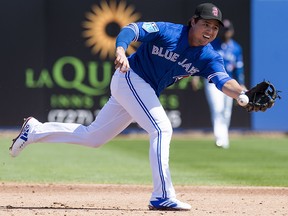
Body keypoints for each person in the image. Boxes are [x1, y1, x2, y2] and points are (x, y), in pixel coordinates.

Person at [9, 3, 248, 211]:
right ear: (193, 22)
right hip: (129, 77)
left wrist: (243, 94)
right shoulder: (169, 31)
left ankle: (35, 130)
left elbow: (223, 81)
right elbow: (131, 29)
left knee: (93, 137)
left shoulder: (208, 56)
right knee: (162, 129)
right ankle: (162, 196)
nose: (210, 31)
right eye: (206, 24)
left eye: (215, 27)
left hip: (142, 89)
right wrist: (121, 49)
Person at [191, 19, 246, 149]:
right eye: (224, 30)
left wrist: (241, 84)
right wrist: (195, 76)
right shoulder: (212, 44)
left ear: (231, 31)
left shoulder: (236, 48)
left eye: (228, 30)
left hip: (229, 82)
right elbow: (202, 61)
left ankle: (224, 138)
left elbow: (239, 68)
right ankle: (219, 138)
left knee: (226, 111)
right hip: (212, 81)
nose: (226, 33)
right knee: (217, 108)